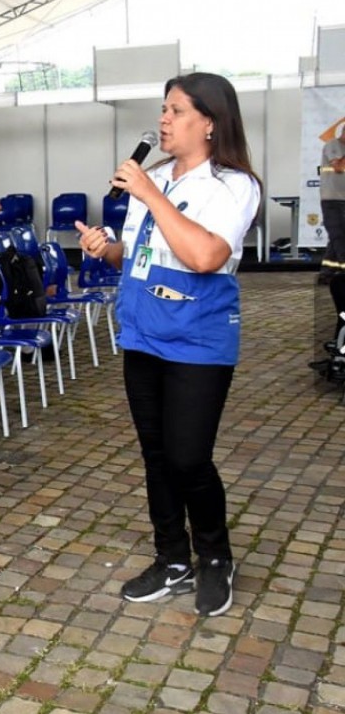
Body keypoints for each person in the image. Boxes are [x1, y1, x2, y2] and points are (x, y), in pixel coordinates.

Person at [75, 72, 262, 618]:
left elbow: (204, 256)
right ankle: (172, 558)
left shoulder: (232, 184)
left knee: (189, 457)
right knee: (157, 457)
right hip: (143, 332)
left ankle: (216, 556)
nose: (164, 119)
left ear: (209, 122)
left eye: (176, 110)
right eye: (163, 109)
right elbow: (140, 252)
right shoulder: (155, 179)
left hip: (198, 340)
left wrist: (152, 194)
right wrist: (104, 249)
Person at [319, 123, 345, 283]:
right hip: (332, 199)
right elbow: (338, 167)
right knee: (339, 236)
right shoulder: (333, 145)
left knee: (337, 237)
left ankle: (327, 273)